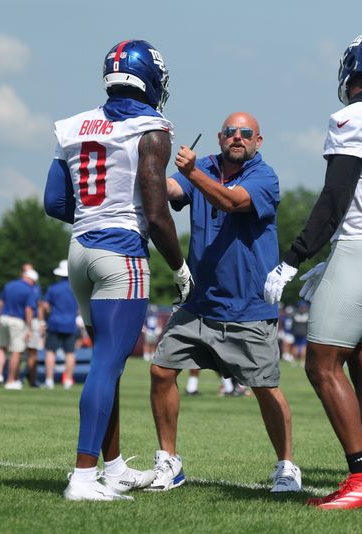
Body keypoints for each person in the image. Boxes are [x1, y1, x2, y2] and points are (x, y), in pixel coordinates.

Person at [264, 30, 362, 509]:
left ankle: (361, 478)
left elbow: (336, 197)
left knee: (322, 365)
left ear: (355, 67)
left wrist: (293, 258)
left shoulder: (354, 115)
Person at [44, 39, 193, 501]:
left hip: (79, 253)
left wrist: (98, 214)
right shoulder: (153, 127)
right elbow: (155, 210)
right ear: (151, 79)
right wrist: (180, 265)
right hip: (120, 254)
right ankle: (84, 477)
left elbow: (55, 202)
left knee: (105, 367)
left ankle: (112, 468)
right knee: (108, 365)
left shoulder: (72, 126)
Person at [149, 110, 301, 494]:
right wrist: (150, 170)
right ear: (219, 138)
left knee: (265, 387)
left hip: (248, 305)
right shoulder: (202, 166)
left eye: (246, 132)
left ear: (258, 141)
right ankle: (169, 461)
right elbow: (170, 190)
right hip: (199, 302)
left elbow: (233, 202)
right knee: (161, 371)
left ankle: (286, 466)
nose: (238, 137)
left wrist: (191, 174)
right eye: (230, 132)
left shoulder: (264, 177)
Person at [0, 269, 39, 390]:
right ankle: (10, 381)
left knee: (2, 348)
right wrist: (29, 328)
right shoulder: (29, 290)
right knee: (16, 351)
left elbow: (0, 303)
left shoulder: (9, 285)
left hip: (3, 318)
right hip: (17, 321)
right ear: (32, 280)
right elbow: (29, 310)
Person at [41, 260, 79, 390]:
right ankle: (68, 380)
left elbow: (45, 306)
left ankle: (49, 380)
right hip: (70, 323)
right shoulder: (76, 288)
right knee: (70, 353)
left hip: (55, 323)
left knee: (51, 352)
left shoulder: (53, 288)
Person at [22, 263, 43, 387]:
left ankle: (31, 379)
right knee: (19, 351)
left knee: (31, 352)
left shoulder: (35, 288)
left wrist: (41, 322)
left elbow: (39, 306)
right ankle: (19, 378)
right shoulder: (30, 288)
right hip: (23, 320)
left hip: (30, 320)